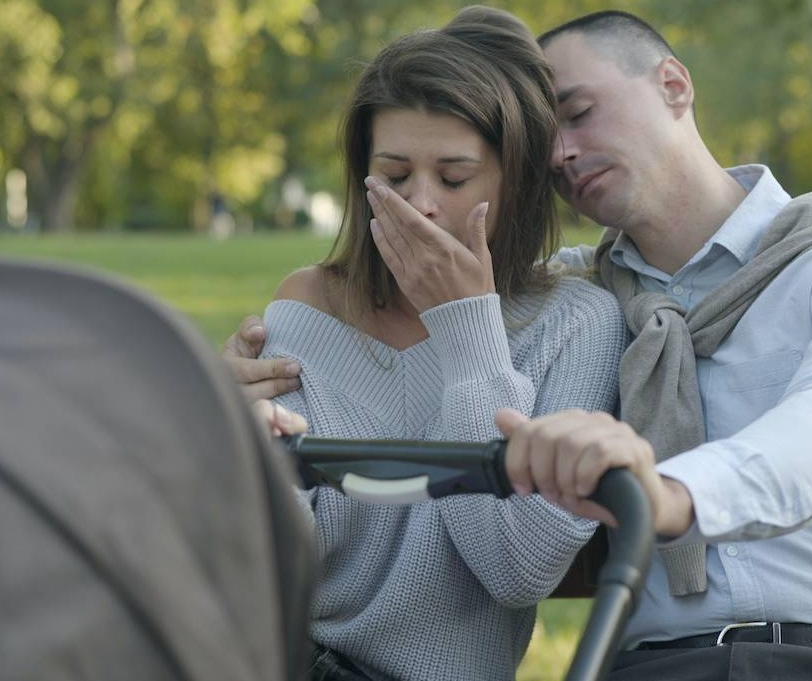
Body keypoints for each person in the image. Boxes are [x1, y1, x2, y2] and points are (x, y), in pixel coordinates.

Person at [226, 8, 812, 681]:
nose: (563, 155)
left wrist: (667, 497)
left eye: (577, 113)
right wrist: (213, 415)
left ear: (672, 85)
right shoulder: (586, 296)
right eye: (544, 146)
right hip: (659, 666)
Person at [232, 6, 627, 681]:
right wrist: (242, 447)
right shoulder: (307, 307)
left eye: (452, 177)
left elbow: (516, 567)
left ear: (518, 180)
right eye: (393, 172)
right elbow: (278, 569)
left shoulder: (577, 324)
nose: (418, 204)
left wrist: (465, 326)